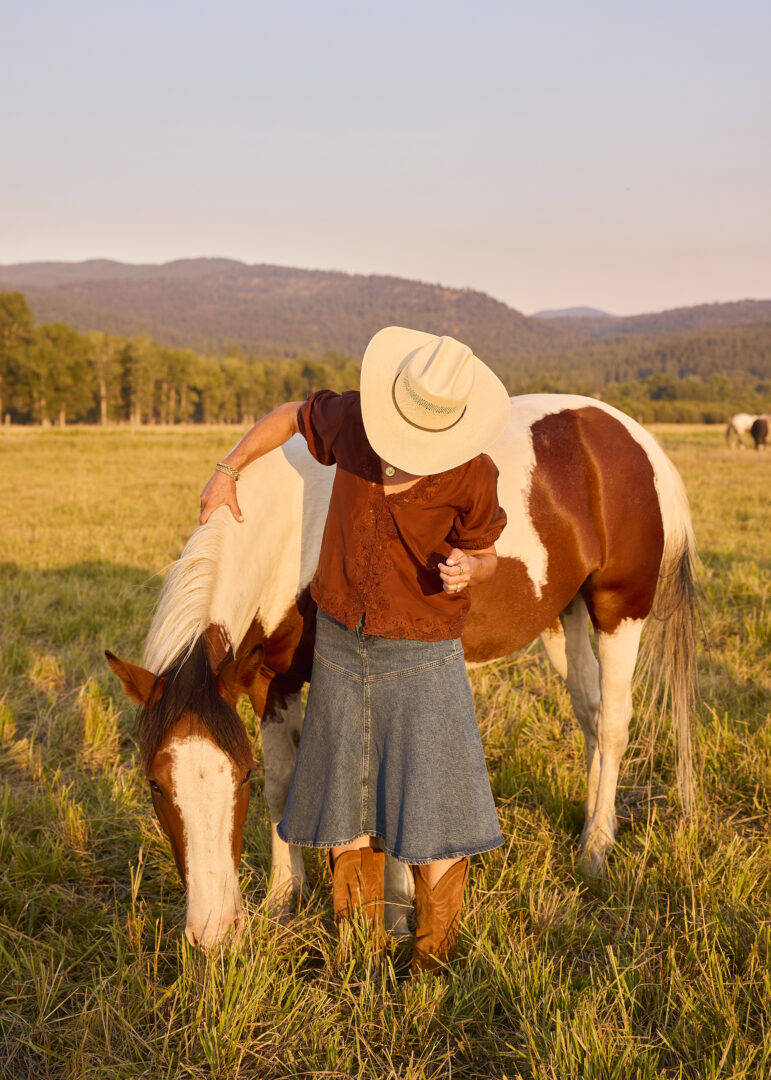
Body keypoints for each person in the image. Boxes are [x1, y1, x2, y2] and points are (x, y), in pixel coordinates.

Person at [199, 326, 510, 974]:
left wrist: (468, 569)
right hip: (340, 646)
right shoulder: (355, 422)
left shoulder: (473, 473)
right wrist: (226, 469)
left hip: (422, 655)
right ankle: (359, 947)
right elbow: (288, 416)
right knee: (346, 801)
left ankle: (431, 958)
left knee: (434, 809)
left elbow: (488, 553)